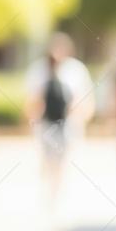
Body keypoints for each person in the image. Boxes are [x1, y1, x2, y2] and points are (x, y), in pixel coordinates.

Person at [25, 32, 94, 212]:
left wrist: (81, 118)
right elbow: (32, 100)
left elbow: (85, 99)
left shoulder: (76, 70)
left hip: (68, 124)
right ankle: (49, 192)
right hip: (45, 123)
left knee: (63, 160)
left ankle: (57, 193)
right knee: (47, 159)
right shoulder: (39, 70)